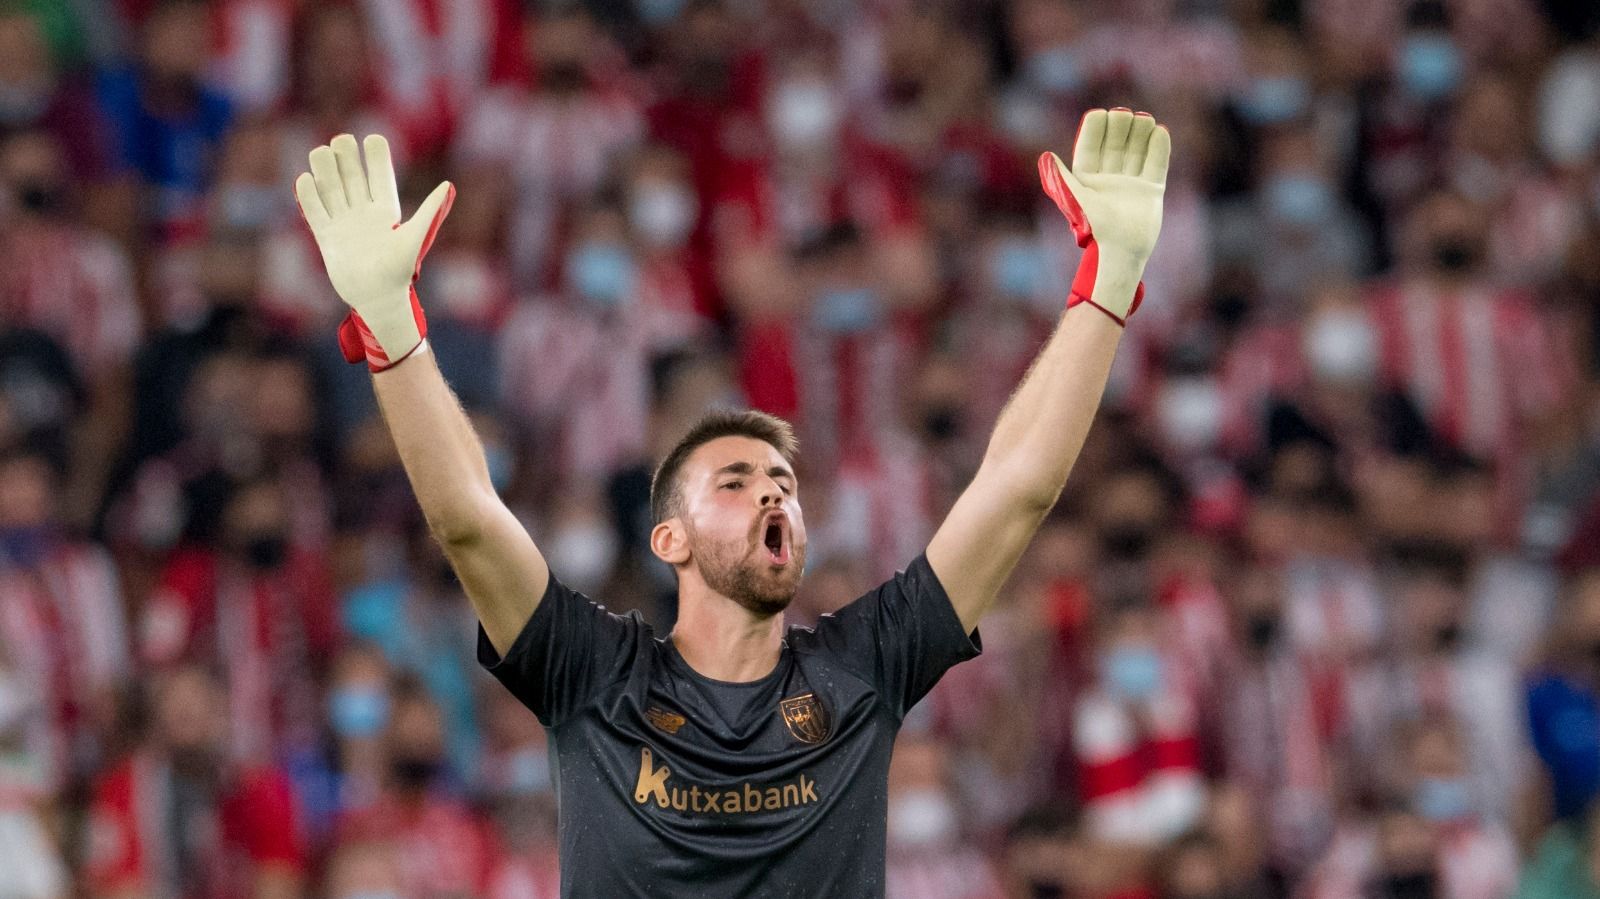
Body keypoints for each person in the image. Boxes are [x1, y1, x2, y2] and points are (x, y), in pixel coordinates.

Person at [291, 106, 1171, 895]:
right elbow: (468, 519)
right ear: (668, 538)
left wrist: (1105, 289)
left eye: (784, 484)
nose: (771, 497)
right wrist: (393, 327)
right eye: (736, 482)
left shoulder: (862, 668)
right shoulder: (594, 674)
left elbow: (1016, 488)